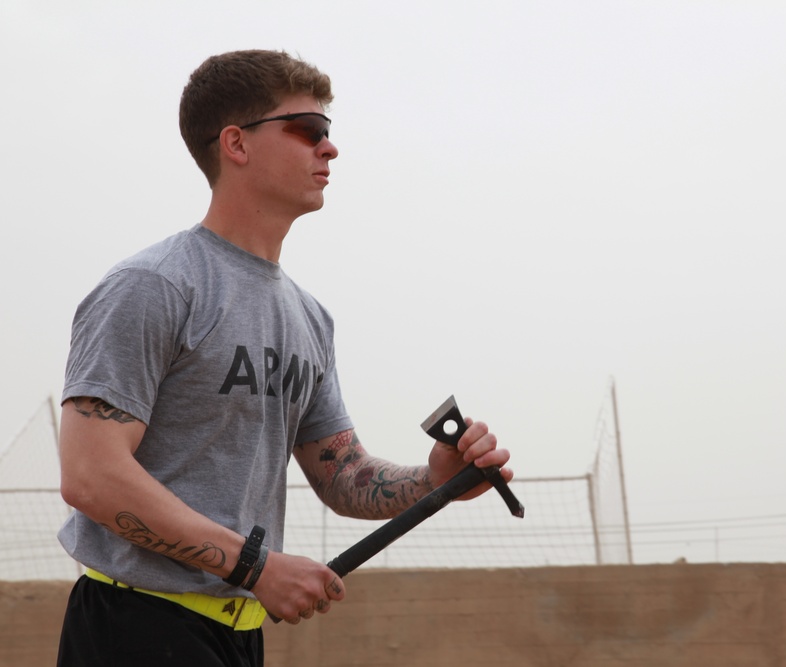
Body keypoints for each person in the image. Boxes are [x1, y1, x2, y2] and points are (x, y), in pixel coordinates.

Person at [55, 49, 512, 666]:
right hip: (135, 625)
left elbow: (344, 476)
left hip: (239, 633)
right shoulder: (155, 285)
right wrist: (257, 566)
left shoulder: (309, 318)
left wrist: (437, 479)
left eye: (330, 133)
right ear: (236, 144)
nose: (330, 149)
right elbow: (91, 475)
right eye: (309, 130)